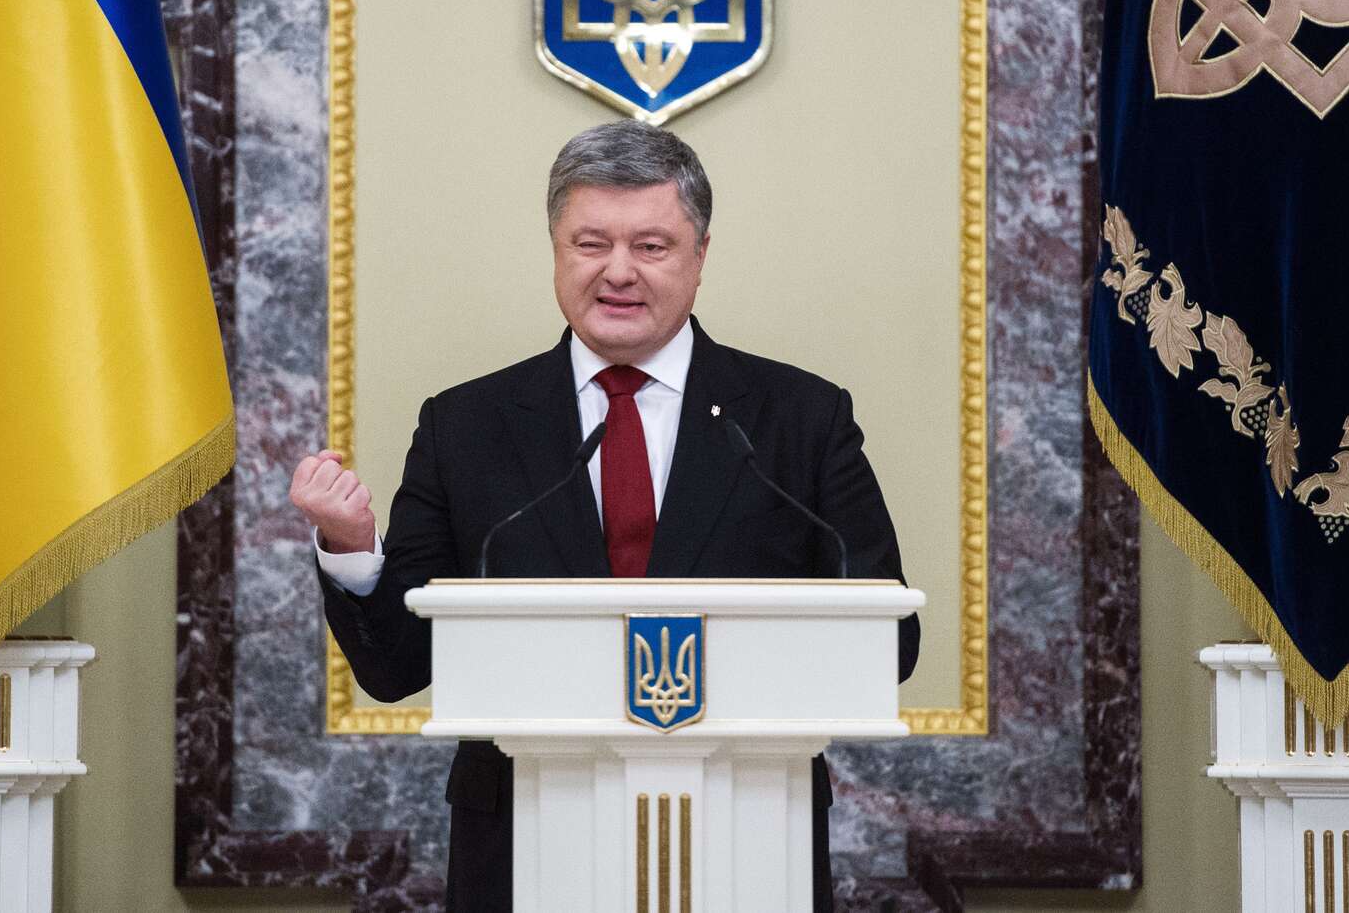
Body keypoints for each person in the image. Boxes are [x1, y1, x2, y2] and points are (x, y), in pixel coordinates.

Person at [289, 120, 919, 913]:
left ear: (700, 255)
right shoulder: (466, 425)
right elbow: (397, 666)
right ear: (556, 249)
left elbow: (891, 644)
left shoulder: (800, 418)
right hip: (523, 843)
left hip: (750, 835)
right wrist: (350, 548)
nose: (618, 271)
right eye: (591, 244)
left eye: (651, 246)